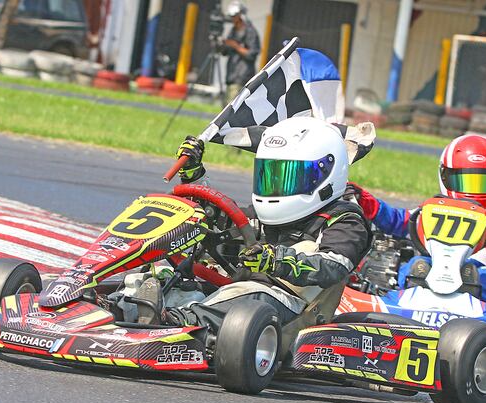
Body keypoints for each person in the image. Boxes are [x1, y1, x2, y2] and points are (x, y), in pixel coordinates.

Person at [135, 117, 372, 332]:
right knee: (165, 276)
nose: (277, 183)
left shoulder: (346, 221)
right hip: (239, 293)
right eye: (271, 174)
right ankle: (123, 306)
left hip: (292, 312)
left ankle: (173, 322)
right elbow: (221, 224)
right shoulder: (267, 217)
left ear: (326, 173)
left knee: (252, 298)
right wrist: (193, 177)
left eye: (289, 175)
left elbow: (332, 267)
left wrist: (276, 261)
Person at [349, 134, 486, 305]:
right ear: (446, 177)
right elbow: (398, 221)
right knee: (416, 264)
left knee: (485, 277)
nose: (475, 191)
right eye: (466, 181)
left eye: (485, 183)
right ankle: (400, 302)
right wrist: (366, 201)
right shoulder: (434, 209)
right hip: (434, 267)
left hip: (475, 273)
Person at [222, 1, 261, 101]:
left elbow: (252, 55)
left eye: (234, 16)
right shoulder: (233, 30)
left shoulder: (250, 32)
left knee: (230, 110)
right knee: (226, 107)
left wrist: (236, 46)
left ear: (240, 15)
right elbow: (224, 52)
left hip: (242, 77)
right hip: (231, 76)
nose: (232, 18)